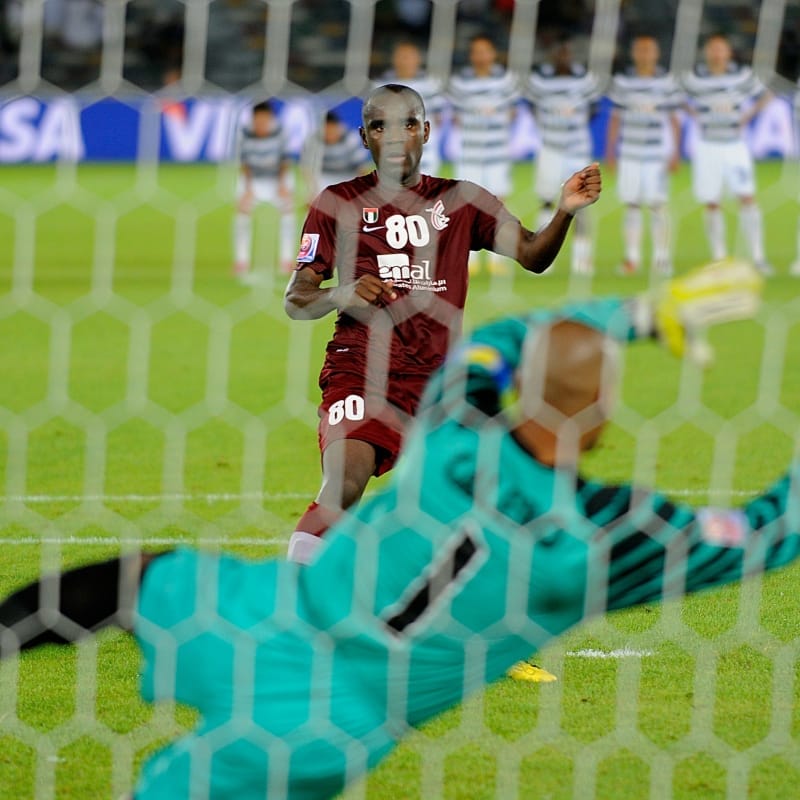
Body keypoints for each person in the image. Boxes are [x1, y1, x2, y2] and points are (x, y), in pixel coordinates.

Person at [0, 262, 779, 800]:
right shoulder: (599, 541)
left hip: (266, 611)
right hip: (330, 719)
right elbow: (768, 533)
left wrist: (632, 315)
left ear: (521, 386)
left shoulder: (456, 419)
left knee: (132, 584)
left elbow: (498, 341)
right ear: (603, 418)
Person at [282, 83, 601, 566]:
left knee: (477, 503)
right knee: (345, 482)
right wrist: (341, 292)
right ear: (364, 136)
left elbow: (534, 256)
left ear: (426, 131)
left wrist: (565, 211)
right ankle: (294, 602)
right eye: (379, 125)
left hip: (438, 383)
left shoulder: (461, 201)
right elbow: (296, 299)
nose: (395, 136)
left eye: (408, 123)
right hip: (361, 369)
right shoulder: (337, 202)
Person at [682, 34, 773, 275]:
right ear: (706, 52)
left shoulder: (741, 76)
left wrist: (748, 115)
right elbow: (675, 96)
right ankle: (719, 257)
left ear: (728, 53)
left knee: (747, 197)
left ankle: (758, 256)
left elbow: (767, 93)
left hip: (735, 146)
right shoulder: (695, 78)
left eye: (721, 49)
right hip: (707, 145)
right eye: (712, 49)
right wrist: (695, 114)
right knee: (712, 201)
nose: (716, 53)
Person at [606, 35, 683, 276]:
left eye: (649, 50)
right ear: (633, 53)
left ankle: (662, 259)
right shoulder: (622, 82)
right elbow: (616, 118)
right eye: (640, 50)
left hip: (656, 154)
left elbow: (673, 120)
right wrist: (610, 151)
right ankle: (632, 258)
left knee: (658, 205)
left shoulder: (667, 82)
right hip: (630, 153)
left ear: (657, 53)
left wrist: (676, 152)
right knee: (632, 204)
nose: (644, 54)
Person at [527, 38, 602, 276]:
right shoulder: (541, 81)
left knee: (582, 202)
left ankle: (582, 259)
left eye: (567, 53)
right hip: (551, 148)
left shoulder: (585, 80)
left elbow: (594, 108)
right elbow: (533, 106)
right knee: (547, 200)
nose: (563, 57)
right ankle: (544, 254)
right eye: (559, 53)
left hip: (577, 149)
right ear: (552, 56)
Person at [448, 34, 520, 273]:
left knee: (497, 203)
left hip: (497, 152)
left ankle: (496, 257)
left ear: (492, 53)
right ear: (471, 56)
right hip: (470, 153)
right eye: (476, 51)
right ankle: (469, 259)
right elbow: (455, 117)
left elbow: (514, 112)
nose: (480, 56)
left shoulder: (506, 81)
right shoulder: (460, 83)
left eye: (484, 50)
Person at [233, 99, 296, 281]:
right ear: (253, 119)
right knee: (242, 214)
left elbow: (285, 161)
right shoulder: (244, 133)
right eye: (257, 120)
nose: (261, 124)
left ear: (270, 118)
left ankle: (286, 260)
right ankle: (241, 261)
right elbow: (243, 163)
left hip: (276, 179)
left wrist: (283, 186)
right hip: (254, 179)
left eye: (264, 119)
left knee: (288, 216)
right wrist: (247, 188)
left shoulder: (280, 132)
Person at [377, 40, 447, 177]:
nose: (405, 61)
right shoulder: (381, 85)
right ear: (394, 59)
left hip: (423, 146)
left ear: (418, 59)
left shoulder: (431, 84)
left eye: (409, 56)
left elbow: (439, 117)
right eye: (402, 56)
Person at [302, 109, 369, 200]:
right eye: (326, 130)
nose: (329, 133)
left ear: (338, 127)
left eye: (331, 129)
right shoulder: (313, 140)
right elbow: (308, 169)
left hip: (349, 176)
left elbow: (361, 168)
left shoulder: (352, 139)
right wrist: (312, 191)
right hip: (325, 177)